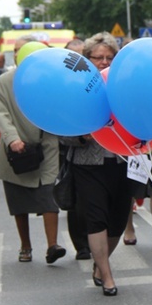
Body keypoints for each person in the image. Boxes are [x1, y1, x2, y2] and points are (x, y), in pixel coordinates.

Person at [63, 32, 130, 295]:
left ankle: (100, 264)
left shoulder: (124, 84)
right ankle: (108, 275)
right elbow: (62, 130)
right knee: (96, 218)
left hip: (123, 160)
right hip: (88, 163)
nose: (103, 61)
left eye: (109, 57)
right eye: (98, 57)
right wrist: (83, 132)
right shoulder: (75, 86)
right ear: (87, 59)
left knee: (117, 219)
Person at [0, 38, 66, 264]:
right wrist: (12, 139)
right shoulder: (4, 82)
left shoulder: (52, 81)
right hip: (17, 151)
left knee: (48, 195)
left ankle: (52, 245)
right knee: (19, 200)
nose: (19, 54)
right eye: (16, 51)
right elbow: (2, 114)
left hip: (47, 146)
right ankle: (25, 245)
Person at [62, 38, 91, 260]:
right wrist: (80, 137)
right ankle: (81, 244)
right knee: (78, 202)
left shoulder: (97, 80)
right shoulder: (64, 85)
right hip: (75, 152)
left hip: (107, 155)